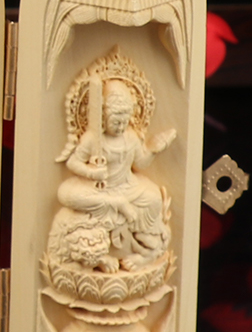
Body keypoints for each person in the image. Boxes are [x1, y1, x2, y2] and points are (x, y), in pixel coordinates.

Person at [53, 76, 173, 272]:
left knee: (153, 197)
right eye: (116, 121)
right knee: (65, 193)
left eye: (124, 122)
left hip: (127, 187)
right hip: (99, 189)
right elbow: (73, 162)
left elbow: (140, 163)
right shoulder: (93, 139)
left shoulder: (131, 138)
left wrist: (152, 149)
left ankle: (147, 253)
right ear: (103, 116)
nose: (120, 126)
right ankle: (116, 205)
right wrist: (91, 172)